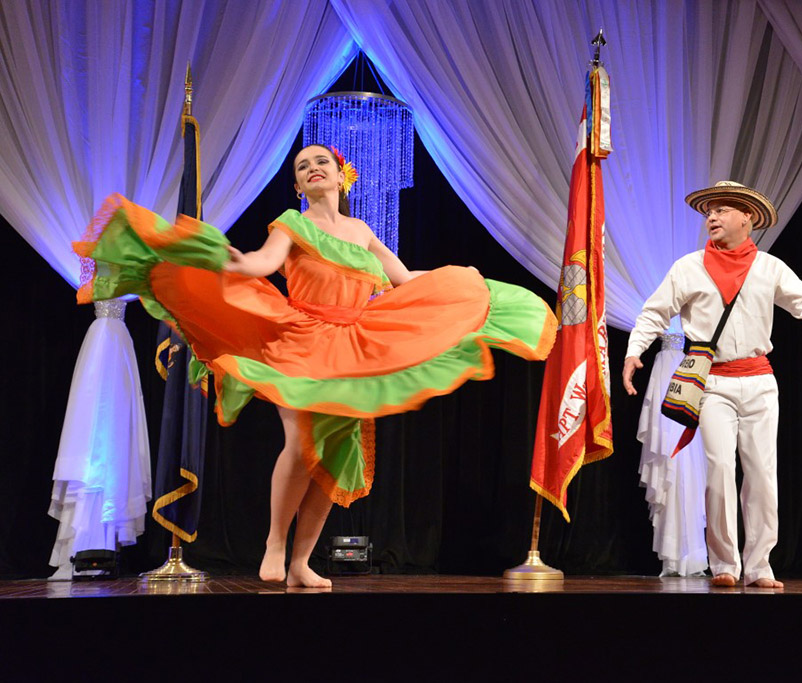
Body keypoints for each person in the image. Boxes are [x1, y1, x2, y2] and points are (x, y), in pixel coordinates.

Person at [75, 144, 556, 587]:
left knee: (332, 454)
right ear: (298, 185)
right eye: (303, 166)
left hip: (353, 344)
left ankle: (302, 561)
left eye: (321, 161)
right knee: (301, 442)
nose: (313, 169)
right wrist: (230, 262)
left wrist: (460, 278)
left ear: (341, 176)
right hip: (301, 338)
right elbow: (262, 264)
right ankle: (275, 544)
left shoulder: (362, 231)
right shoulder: (292, 223)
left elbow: (405, 278)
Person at [621, 181, 802, 589]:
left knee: (761, 473)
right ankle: (725, 564)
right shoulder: (688, 267)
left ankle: (759, 565)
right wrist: (634, 351)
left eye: (721, 209)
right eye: (709, 211)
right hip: (712, 383)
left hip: (759, 381)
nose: (712, 216)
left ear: (747, 217)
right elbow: (654, 312)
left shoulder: (769, 267)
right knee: (720, 470)